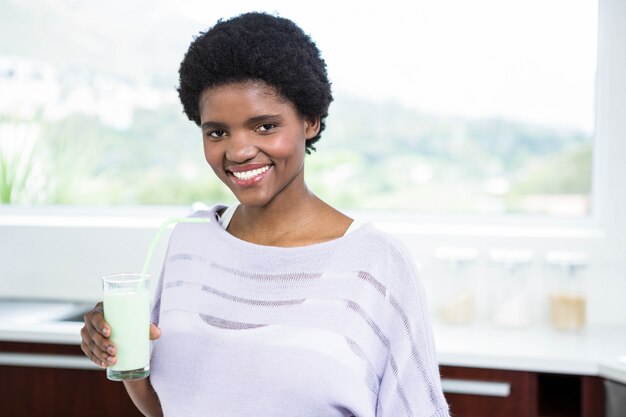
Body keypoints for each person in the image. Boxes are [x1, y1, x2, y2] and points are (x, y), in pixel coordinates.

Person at [81, 11, 450, 417]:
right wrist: (121, 353)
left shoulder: (375, 265)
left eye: (264, 126)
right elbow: (165, 407)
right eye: (217, 132)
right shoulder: (187, 242)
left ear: (310, 120)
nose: (237, 151)